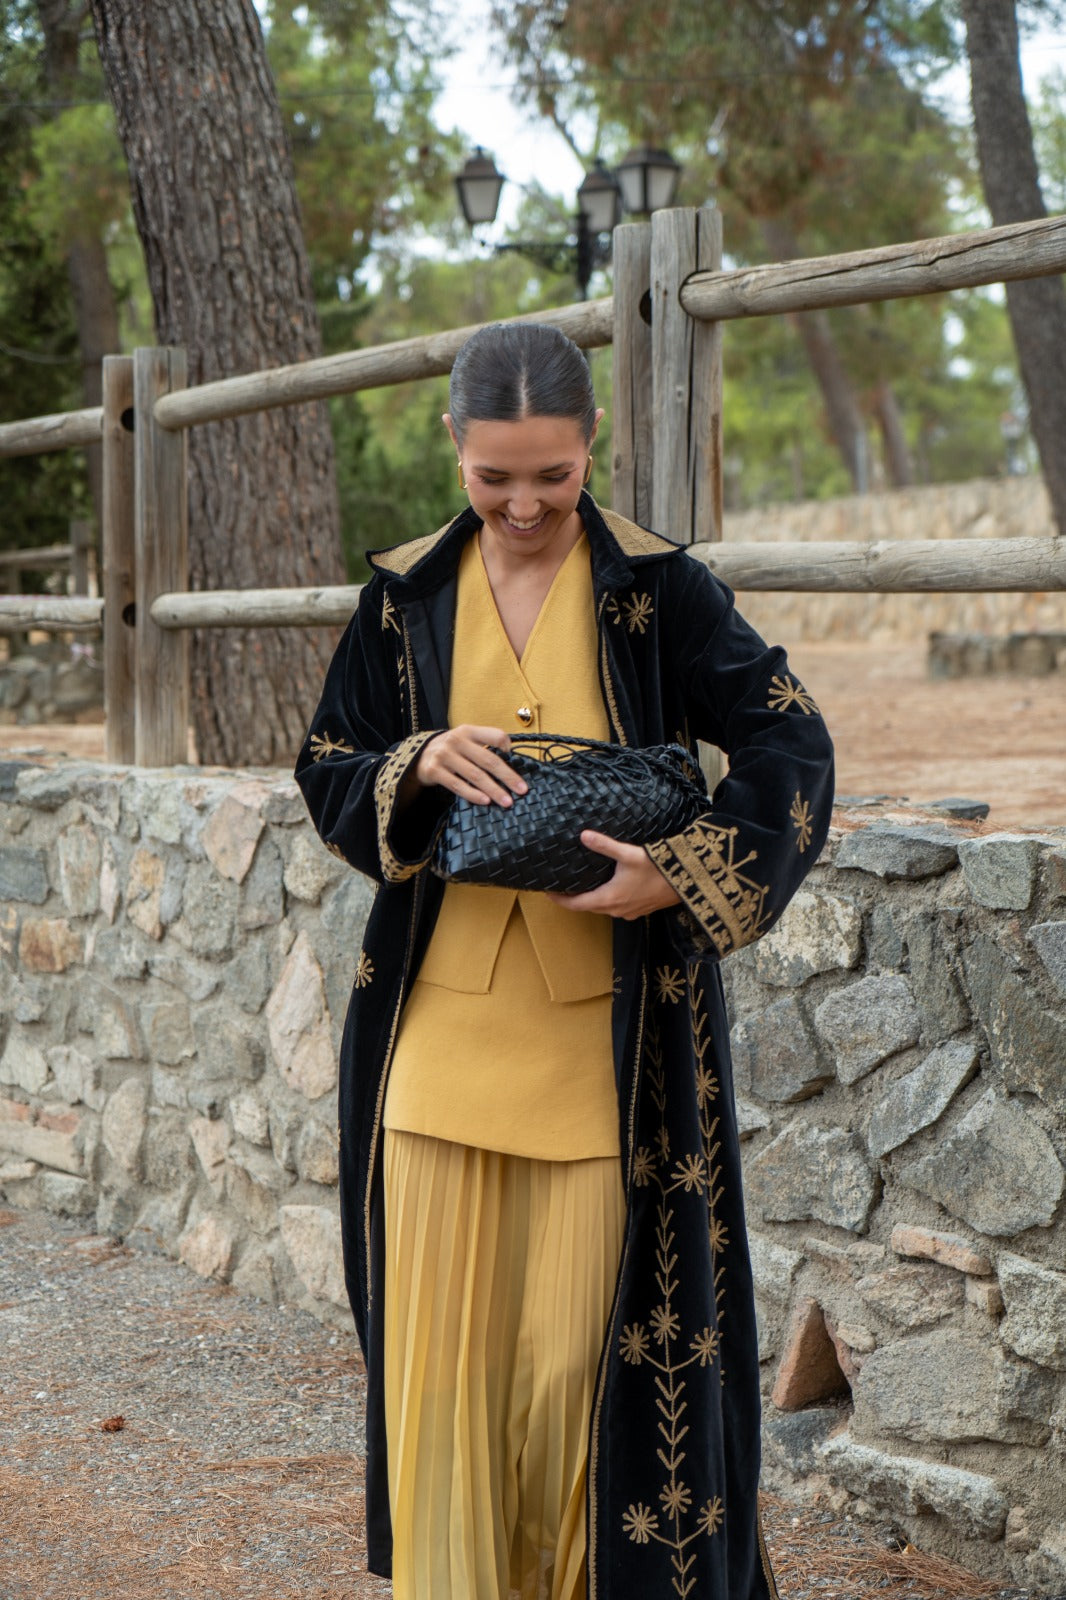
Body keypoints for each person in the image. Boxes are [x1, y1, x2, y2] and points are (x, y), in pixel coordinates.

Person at [294, 321, 835, 1600]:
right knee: (447, 1398)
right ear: (453, 445)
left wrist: (684, 871)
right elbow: (327, 768)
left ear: (593, 443)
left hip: (610, 1066)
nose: (526, 504)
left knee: (580, 1391)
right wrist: (414, 763)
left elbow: (790, 744)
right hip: (434, 1058)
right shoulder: (403, 599)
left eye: (554, 473)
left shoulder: (664, 590)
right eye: (495, 476)